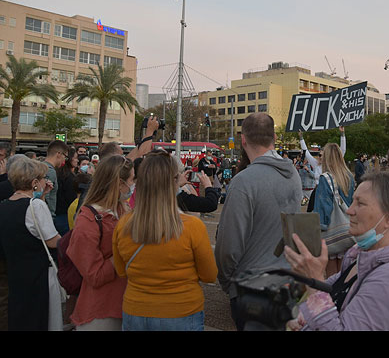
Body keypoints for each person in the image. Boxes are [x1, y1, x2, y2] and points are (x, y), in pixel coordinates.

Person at [283, 171, 389, 331]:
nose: (349, 210)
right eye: (353, 201)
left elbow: (321, 297)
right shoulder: (361, 259)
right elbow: (329, 299)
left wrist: (314, 279)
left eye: (360, 204)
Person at [214, 113, 302, 331]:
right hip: (286, 283)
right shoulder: (293, 175)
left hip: (251, 288)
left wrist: (228, 283)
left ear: (243, 140)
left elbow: (229, 246)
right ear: (273, 137)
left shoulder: (243, 182)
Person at [113, 150, 218, 331]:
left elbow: (122, 271)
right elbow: (209, 274)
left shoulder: (123, 225)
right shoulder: (192, 227)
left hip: (136, 310)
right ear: (175, 182)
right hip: (181, 310)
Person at [66, 154, 134, 331]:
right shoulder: (88, 220)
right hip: (102, 312)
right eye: (132, 179)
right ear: (120, 183)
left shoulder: (123, 209)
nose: (133, 185)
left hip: (126, 305)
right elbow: (94, 274)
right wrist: (124, 250)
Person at [0, 156, 59, 330]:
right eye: (42, 179)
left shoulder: (4, 205)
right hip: (38, 275)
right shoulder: (35, 206)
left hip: (16, 274)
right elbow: (53, 241)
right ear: (34, 182)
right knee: (40, 319)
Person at [314, 142, 356, 277]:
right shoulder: (349, 176)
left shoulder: (325, 178)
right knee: (344, 274)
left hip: (331, 232)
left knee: (331, 275)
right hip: (347, 229)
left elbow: (323, 207)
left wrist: (319, 227)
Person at [43, 140, 69, 228]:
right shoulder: (50, 171)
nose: (64, 160)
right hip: (47, 218)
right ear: (59, 154)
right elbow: (46, 196)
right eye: (65, 156)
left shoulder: (40, 167)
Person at [54, 146, 77, 236]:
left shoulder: (58, 173)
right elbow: (71, 198)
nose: (77, 160)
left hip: (58, 214)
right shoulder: (70, 178)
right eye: (75, 158)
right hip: (66, 216)